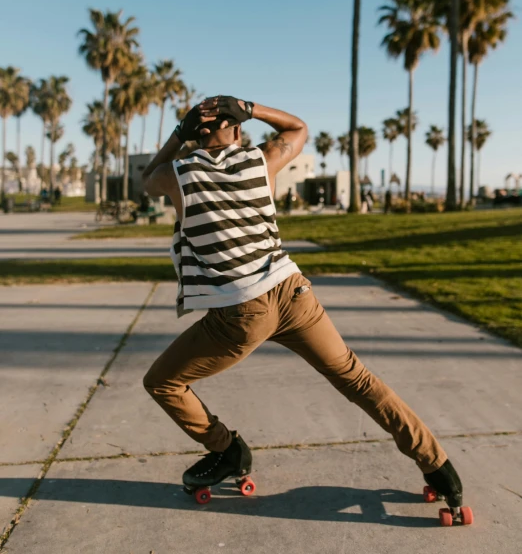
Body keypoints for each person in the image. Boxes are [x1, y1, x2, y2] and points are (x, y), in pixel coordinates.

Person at [141, 95, 467, 519]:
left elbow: (148, 176)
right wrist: (252, 107)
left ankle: (228, 451)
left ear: (194, 137)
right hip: (294, 294)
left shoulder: (180, 175)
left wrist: (177, 135)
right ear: (237, 129)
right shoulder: (261, 162)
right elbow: (297, 130)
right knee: (358, 379)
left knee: (163, 382)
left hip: (241, 314)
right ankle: (440, 468)